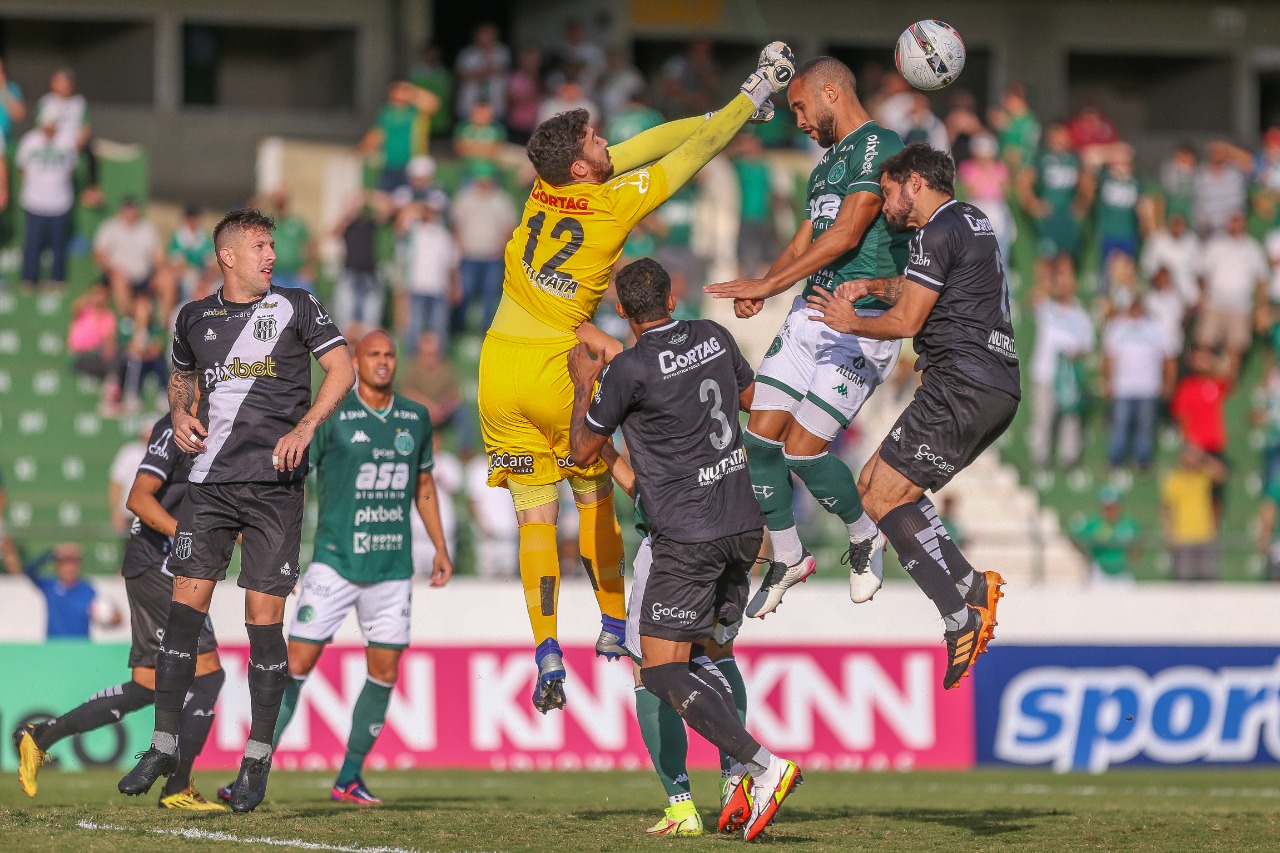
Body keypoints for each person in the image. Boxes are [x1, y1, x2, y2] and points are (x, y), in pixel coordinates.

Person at [478, 42, 795, 713]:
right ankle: (613, 627)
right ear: (579, 166)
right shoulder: (612, 206)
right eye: (594, 139)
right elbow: (683, 155)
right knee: (593, 495)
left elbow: (643, 141)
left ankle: (545, 649)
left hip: (496, 365)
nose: (605, 140)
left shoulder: (543, 187)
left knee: (534, 516)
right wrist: (751, 94)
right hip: (553, 366)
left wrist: (734, 113)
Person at [116, 208, 354, 813]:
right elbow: (181, 374)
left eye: (272, 245)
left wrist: (305, 426)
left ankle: (256, 758)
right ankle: (163, 745)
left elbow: (342, 369)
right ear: (228, 256)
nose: (271, 256)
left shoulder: (297, 306)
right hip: (210, 486)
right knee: (183, 615)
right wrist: (179, 411)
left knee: (262, 626)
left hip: (275, 487)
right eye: (260, 247)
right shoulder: (193, 316)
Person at [568, 257, 801, 842]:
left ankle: (755, 768)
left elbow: (580, 449)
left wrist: (582, 386)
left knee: (660, 671)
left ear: (622, 311)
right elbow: (750, 402)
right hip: (743, 526)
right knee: (717, 654)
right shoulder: (714, 336)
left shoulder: (629, 370)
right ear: (671, 300)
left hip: (684, 536)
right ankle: (735, 785)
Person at [805, 142, 1014, 690]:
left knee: (878, 497)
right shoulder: (969, 220)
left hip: (962, 385)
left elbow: (905, 320)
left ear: (914, 181)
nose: (887, 202)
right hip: (982, 382)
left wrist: (851, 321)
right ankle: (969, 584)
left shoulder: (935, 230)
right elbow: (922, 288)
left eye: (891, 188)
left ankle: (959, 614)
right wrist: (875, 284)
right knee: (873, 484)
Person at [705, 56, 907, 615]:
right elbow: (807, 236)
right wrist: (766, 285)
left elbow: (845, 235)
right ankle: (789, 556)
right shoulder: (823, 167)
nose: (796, 120)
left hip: (858, 321)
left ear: (830, 92)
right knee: (759, 441)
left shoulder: (879, 145)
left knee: (802, 451)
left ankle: (865, 534)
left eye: (799, 107)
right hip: (805, 316)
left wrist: (768, 284)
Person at [216, 330, 451, 806]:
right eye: (373, 355)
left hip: (392, 567)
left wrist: (440, 547)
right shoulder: (334, 418)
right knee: (295, 664)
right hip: (334, 565)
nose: (383, 362)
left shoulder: (415, 417)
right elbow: (294, 473)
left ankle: (349, 776)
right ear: (357, 362)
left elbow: (423, 484)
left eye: (389, 354)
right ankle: (252, 771)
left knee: (384, 670)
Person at [13, 414, 225, 810]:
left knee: (146, 685)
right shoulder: (175, 427)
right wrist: (187, 536)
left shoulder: (221, 420)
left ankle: (39, 737)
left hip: (161, 567)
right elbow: (137, 498)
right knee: (208, 673)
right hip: (159, 565)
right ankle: (177, 786)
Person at [1029, 261, 1093, 471]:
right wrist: (1049, 283)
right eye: (1062, 282)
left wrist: (1073, 355)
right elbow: (1032, 300)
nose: (1065, 286)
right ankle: (1041, 458)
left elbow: (1087, 344)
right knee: (1043, 418)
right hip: (1045, 373)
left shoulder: (1081, 315)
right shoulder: (1047, 307)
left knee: (1070, 418)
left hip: (1068, 376)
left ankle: (1069, 459)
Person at [1101, 295, 1175, 471]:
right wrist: (1108, 380)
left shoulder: (1156, 328)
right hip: (1123, 386)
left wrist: (1168, 382)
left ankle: (1143, 460)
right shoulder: (1117, 327)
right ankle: (1115, 459)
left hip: (1148, 386)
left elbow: (1167, 357)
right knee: (1120, 424)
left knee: (1145, 426)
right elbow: (1109, 357)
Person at [450, 162, 517, 335]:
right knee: (464, 293)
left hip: (492, 257)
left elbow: (510, 226)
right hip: (469, 256)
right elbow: (455, 223)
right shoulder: (465, 198)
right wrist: (460, 244)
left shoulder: (502, 200)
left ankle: (486, 332)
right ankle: (459, 330)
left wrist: (502, 246)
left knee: (490, 296)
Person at [5, 542, 121, 638]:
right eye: (64, 563)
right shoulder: (50, 586)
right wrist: (52, 553)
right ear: (58, 566)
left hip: (81, 649)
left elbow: (104, 615)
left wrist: (112, 618)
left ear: (78, 566)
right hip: (54, 648)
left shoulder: (87, 589)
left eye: (73, 563)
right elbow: (29, 571)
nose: (68, 568)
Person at [16, 108, 77, 289]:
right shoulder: (29, 141)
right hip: (34, 201)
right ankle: (29, 279)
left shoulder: (66, 142)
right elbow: (22, 167)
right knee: (32, 243)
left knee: (58, 245)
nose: (49, 128)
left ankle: (57, 280)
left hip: (60, 202)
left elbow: (70, 168)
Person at [93, 197, 175, 320]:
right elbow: (99, 255)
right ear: (121, 210)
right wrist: (111, 268)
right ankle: (128, 318)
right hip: (118, 275)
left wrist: (163, 266)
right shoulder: (110, 228)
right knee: (118, 279)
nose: (130, 213)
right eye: (128, 209)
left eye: (133, 209)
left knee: (167, 279)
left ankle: (166, 322)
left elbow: (157, 255)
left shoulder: (146, 229)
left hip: (144, 277)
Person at [357, 81, 441, 192]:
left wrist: (412, 92)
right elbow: (377, 135)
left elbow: (433, 104)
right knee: (383, 198)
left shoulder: (416, 112)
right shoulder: (386, 112)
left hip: (411, 165)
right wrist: (360, 149)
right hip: (389, 165)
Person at [1161, 444, 1225, 581]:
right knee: (1184, 581)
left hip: (1206, 535)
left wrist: (1203, 456)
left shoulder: (1203, 475)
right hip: (1183, 537)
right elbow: (1167, 510)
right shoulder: (1174, 479)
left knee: (1209, 579)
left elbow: (1221, 474)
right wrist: (1169, 534)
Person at [1070, 487, 1142, 586]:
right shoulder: (1094, 524)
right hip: (1100, 573)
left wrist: (1132, 557)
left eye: (1113, 506)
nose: (1110, 510)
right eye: (1107, 507)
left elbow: (1138, 541)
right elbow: (1075, 537)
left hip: (1122, 573)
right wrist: (1086, 555)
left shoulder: (1128, 523)